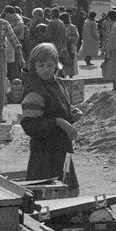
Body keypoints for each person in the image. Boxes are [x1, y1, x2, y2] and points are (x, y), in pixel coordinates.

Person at [20, 43, 79, 191]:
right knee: (45, 197)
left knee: (68, 193)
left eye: (50, 65)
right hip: (43, 155)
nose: (46, 69)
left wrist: (71, 114)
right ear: (34, 66)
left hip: (61, 149)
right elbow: (30, 126)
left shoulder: (57, 84)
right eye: (41, 65)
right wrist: (58, 122)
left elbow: (59, 108)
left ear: (55, 65)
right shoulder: (34, 91)